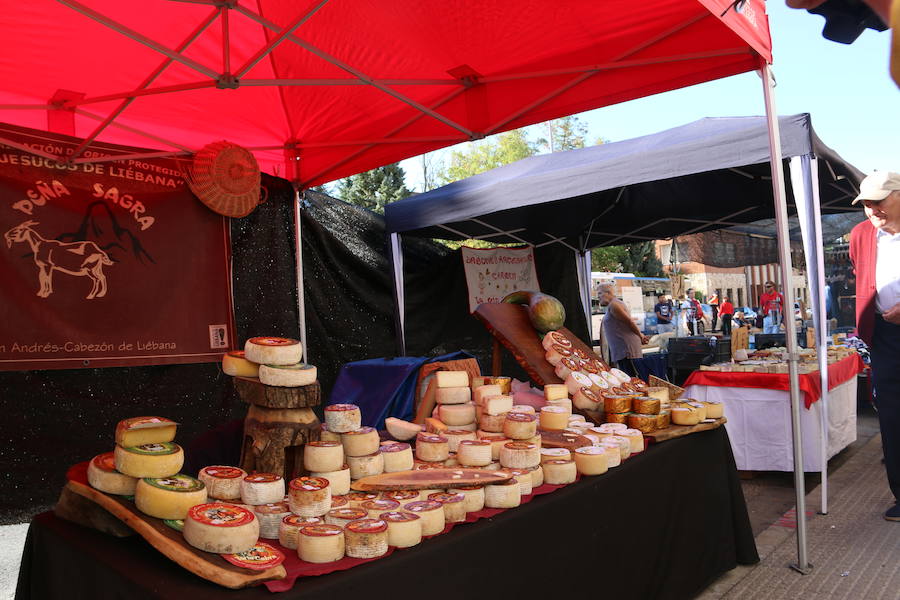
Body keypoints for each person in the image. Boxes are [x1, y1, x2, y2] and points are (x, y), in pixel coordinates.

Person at [849, 170, 900, 522]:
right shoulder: (860, 235)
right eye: (866, 202)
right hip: (885, 335)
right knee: (893, 416)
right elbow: (862, 275)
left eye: (879, 199)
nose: (872, 208)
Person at [599, 284, 649, 377]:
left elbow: (629, 322)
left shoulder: (614, 305)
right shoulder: (613, 304)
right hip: (622, 350)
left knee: (632, 378)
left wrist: (640, 335)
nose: (598, 296)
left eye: (600, 293)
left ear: (608, 293)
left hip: (626, 351)